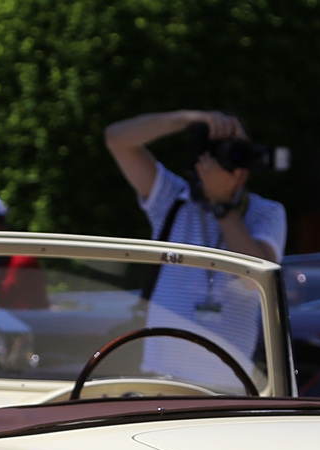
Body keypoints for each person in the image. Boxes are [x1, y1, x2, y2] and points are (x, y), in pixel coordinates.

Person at [103, 109, 287, 388]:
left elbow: (253, 278)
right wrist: (188, 120)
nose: (234, 161)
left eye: (238, 150)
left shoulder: (266, 212)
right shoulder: (173, 200)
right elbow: (116, 139)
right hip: (160, 379)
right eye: (219, 152)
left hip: (228, 384)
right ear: (200, 159)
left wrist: (223, 204)